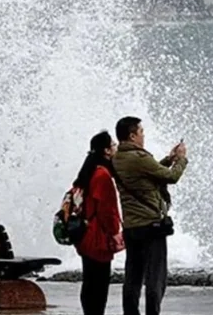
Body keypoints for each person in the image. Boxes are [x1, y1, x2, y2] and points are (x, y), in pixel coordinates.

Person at [112, 116, 188, 315]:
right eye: (141, 132)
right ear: (132, 135)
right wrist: (180, 159)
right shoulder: (139, 157)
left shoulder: (117, 158)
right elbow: (171, 177)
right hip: (150, 227)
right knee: (155, 278)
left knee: (133, 278)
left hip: (131, 227)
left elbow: (147, 174)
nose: (143, 136)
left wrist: (168, 159)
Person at [73, 130, 124, 315]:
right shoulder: (103, 176)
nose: (116, 147)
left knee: (89, 281)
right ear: (106, 151)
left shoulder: (88, 172)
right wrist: (114, 231)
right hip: (98, 238)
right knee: (100, 285)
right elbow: (108, 212)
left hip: (84, 235)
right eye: (113, 145)